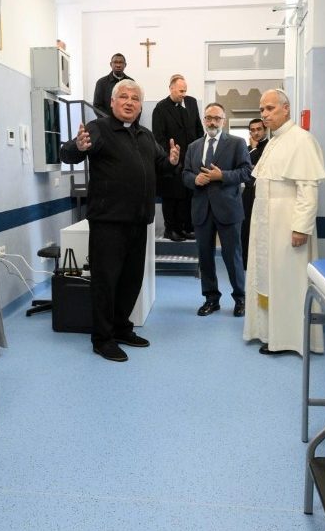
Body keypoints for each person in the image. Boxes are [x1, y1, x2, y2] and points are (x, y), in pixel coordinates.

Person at [61, 80, 180, 362]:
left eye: (135, 98)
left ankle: (121, 328)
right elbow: (68, 153)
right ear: (112, 102)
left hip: (139, 222)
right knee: (106, 282)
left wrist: (172, 162)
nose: (129, 102)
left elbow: (161, 166)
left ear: (140, 106)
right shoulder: (98, 129)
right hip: (108, 223)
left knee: (130, 281)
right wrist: (78, 146)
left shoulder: (145, 135)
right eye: (123, 97)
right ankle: (102, 339)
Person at [242, 89, 325, 355]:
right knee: (268, 278)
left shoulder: (302, 140)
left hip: (286, 225)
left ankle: (290, 339)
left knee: (288, 282)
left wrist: (301, 227)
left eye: (270, 108)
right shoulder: (273, 142)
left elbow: (308, 189)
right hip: (266, 224)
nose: (264, 114)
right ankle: (268, 333)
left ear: (286, 108)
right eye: (262, 110)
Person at [182, 103, 252, 317]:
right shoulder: (193, 146)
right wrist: (195, 179)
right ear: (204, 120)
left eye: (217, 118)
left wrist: (222, 176)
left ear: (223, 120)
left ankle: (240, 298)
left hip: (228, 210)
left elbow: (247, 172)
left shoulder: (237, 143)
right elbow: (185, 174)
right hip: (201, 211)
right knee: (205, 257)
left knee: (233, 256)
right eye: (209, 118)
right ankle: (211, 299)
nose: (212, 122)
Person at [150, 73, 202, 241]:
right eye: (180, 91)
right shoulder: (160, 108)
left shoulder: (192, 102)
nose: (183, 94)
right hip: (171, 162)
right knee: (172, 197)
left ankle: (185, 228)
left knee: (187, 196)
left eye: (185, 90)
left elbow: (198, 128)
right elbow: (158, 138)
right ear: (171, 89)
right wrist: (170, 159)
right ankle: (171, 229)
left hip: (190, 160)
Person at [240, 117, 269, 268]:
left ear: (265, 130)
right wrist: (252, 150)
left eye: (259, 129)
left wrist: (254, 150)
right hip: (248, 193)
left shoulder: (270, 147)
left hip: (263, 193)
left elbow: (258, 169)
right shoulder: (246, 148)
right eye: (252, 130)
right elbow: (244, 169)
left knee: (260, 229)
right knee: (245, 228)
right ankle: (245, 263)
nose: (256, 133)